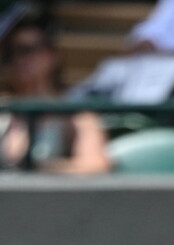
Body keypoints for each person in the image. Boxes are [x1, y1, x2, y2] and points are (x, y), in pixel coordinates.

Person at [0, 13, 110, 173]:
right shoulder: (3, 108)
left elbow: (96, 165)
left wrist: (37, 167)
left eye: (26, 50)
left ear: (52, 54)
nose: (18, 60)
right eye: (9, 54)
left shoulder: (75, 115)